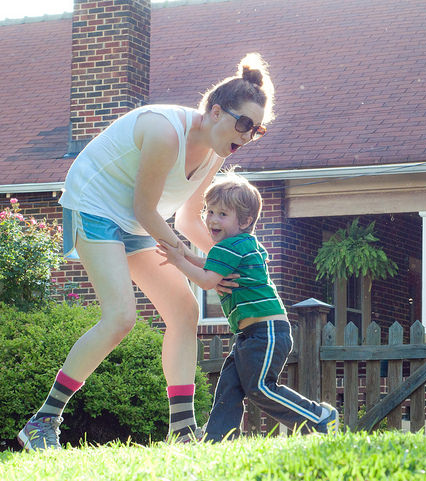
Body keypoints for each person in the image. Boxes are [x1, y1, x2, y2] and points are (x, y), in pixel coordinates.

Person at [17, 53, 275, 451]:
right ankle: (43, 422)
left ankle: (183, 431)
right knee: (120, 317)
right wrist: (193, 261)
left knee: (185, 312)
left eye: (255, 130)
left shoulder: (216, 151)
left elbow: (189, 222)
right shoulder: (165, 132)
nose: (247, 135)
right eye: (243, 123)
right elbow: (145, 209)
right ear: (216, 111)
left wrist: (229, 262)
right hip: (95, 207)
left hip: (139, 224)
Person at [156, 171, 339, 442]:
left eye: (222, 214)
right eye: (210, 211)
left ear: (245, 220)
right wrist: (186, 254)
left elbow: (207, 280)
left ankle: (319, 418)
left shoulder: (229, 246)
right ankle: (218, 438)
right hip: (252, 335)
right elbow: (209, 266)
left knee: (260, 388)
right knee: (229, 386)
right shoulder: (238, 245)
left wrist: (178, 261)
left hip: (265, 332)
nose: (212, 219)